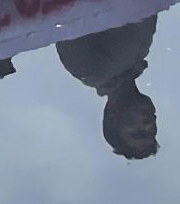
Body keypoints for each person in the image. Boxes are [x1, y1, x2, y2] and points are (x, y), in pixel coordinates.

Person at [55, 17, 159, 159]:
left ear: (112, 119)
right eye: (152, 130)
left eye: (137, 133)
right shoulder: (141, 53)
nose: (147, 124)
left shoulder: (87, 69)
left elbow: (64, 14)